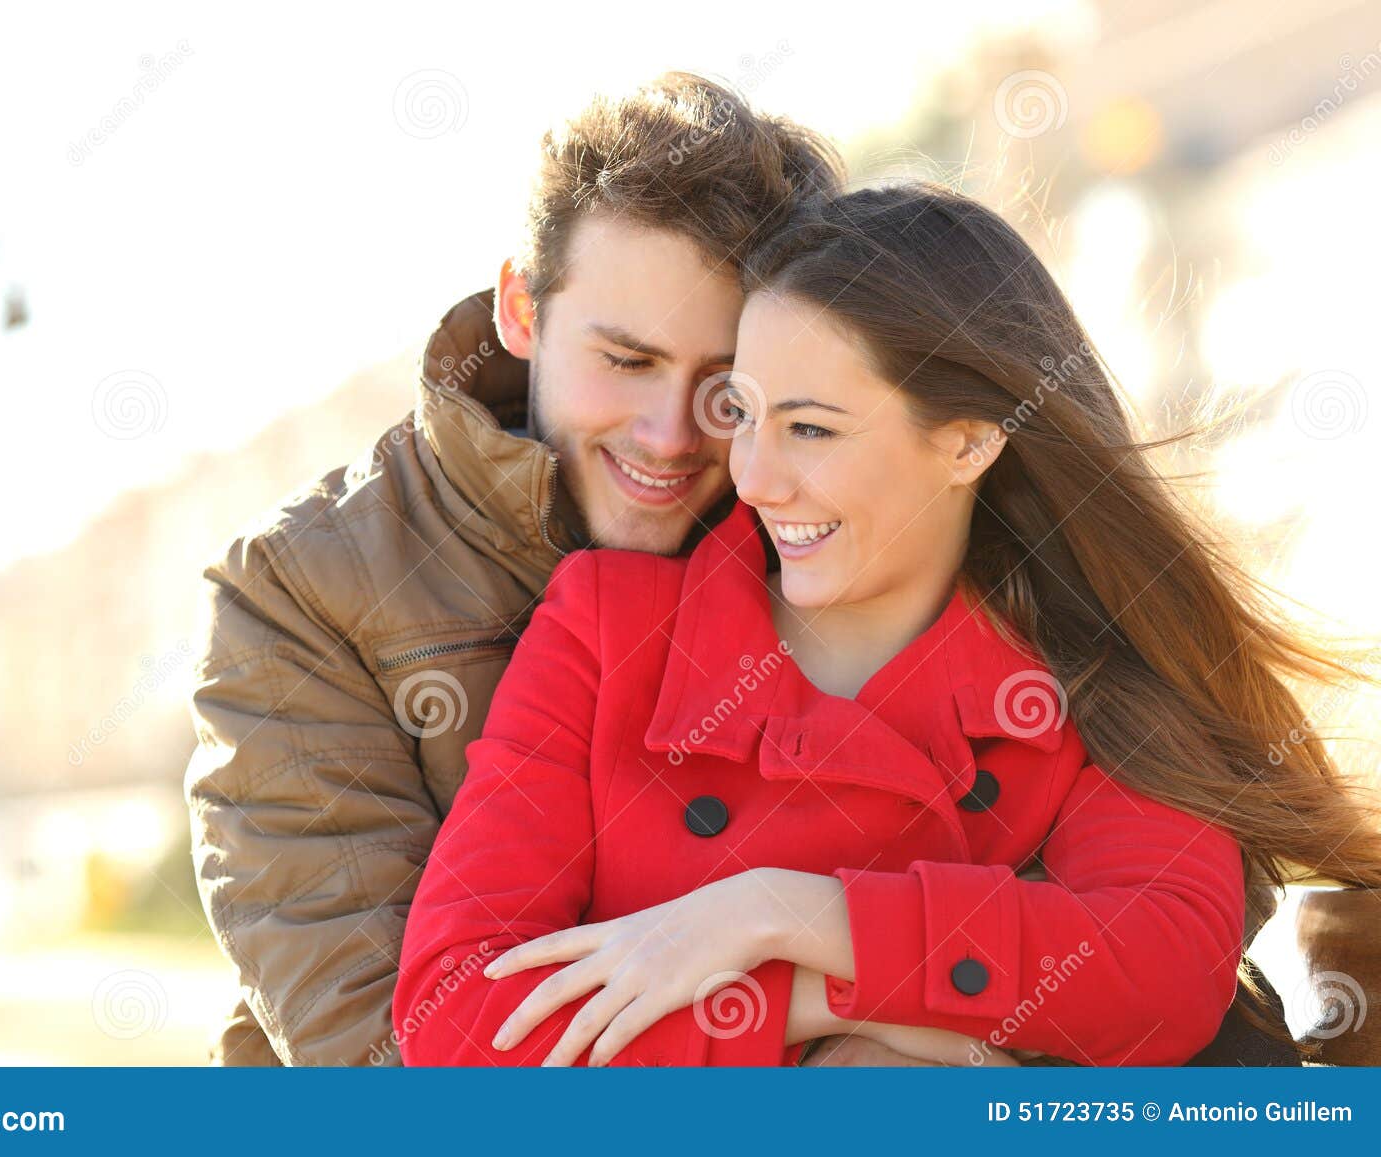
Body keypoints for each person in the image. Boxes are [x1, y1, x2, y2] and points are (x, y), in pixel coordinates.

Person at [393, 183, 1381, 1066]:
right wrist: (835, 1017)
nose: (753, 477)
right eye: (744, 413)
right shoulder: (611, 625)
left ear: (967, 439)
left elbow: (1160, 970)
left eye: (812, 428)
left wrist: (787, 912)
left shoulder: (1089, 674)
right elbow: (455, 1025)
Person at [183, 71, 846, 1066]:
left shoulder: (828, 540)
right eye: (625, 361)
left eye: (725, 386)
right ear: (522, 308)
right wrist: (826, 1004)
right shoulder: (299, 589)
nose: (670, 436)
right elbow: (389, 1062)